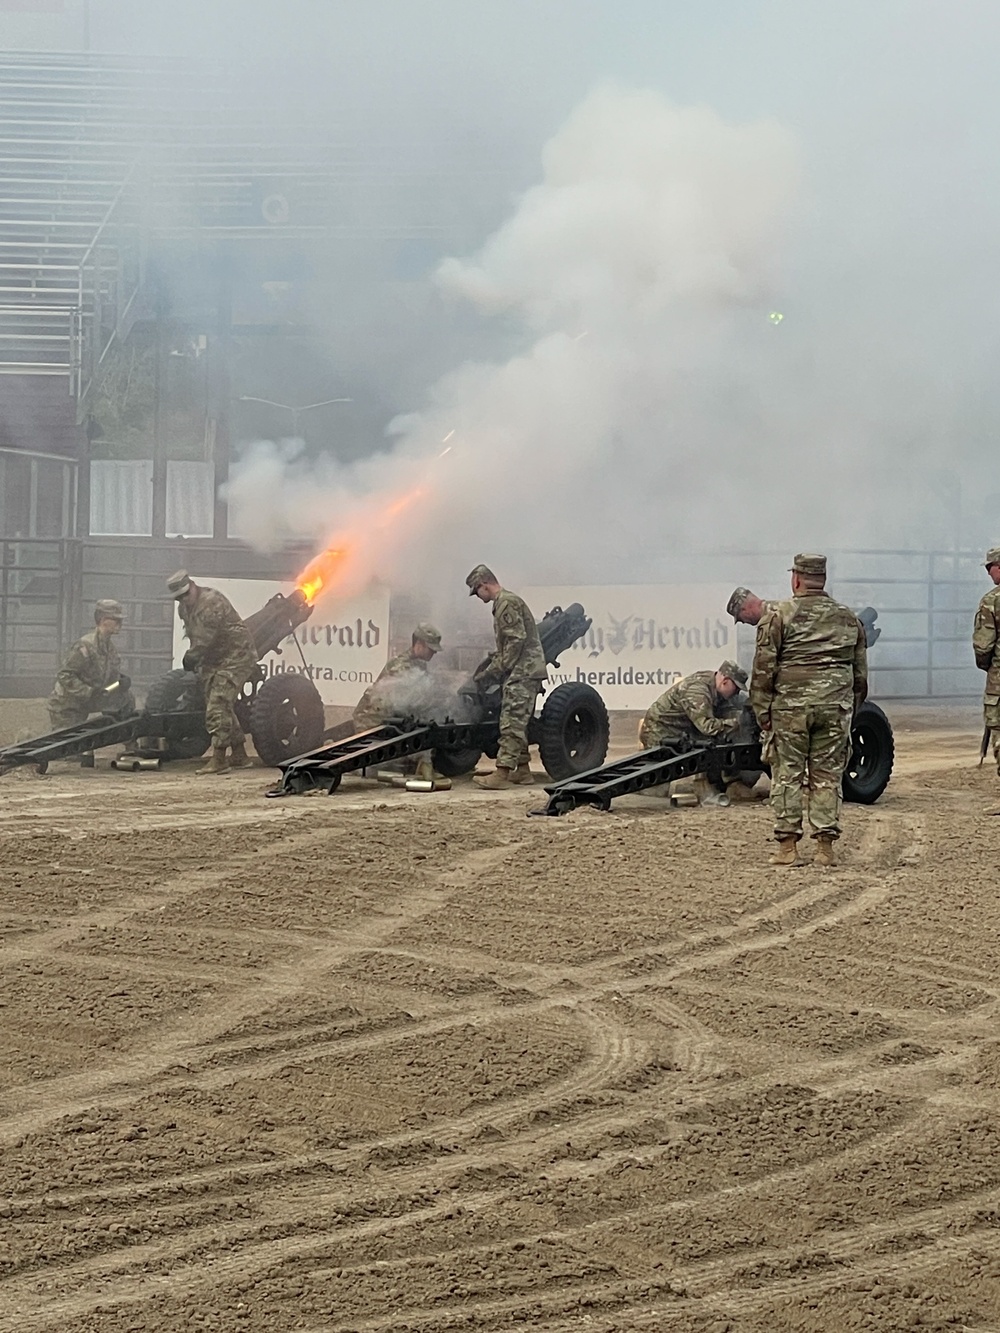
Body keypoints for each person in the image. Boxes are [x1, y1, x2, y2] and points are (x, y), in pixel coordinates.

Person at [750, 553, 867, 868]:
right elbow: (860, 677)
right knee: (827, 776)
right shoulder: (848, 618)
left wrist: (762, 712)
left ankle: (788, 848)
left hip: (791, 710)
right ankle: (825, 849)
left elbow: (763, 670)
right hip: (834, 708)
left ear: (796, 579)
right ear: (823, 580)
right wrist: (848, 712)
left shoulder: (779, 616)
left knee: (787, 775)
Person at [167, 570, 257, 775]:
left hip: (236, 655)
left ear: (192, 586)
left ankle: (219, 759)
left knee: (218, 702)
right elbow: (194, 636)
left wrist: (191, 657)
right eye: (178, 598)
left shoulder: (211, 603)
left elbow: (203, 641)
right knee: (217, 703)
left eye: (184, 595)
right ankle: (240, 754)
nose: (183, 600)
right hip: (214, 658)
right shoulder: (185, 608)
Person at [465, 564, 547, 789]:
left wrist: (496, 669)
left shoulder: (506, 603)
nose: (477, 596)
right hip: (523, 669)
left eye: (477, 591)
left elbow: (515, 640)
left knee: (511, 720)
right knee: (517, 718)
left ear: (484, 585)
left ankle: (501, 774)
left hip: (523, 670)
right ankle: (522, 771)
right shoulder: (505, 602)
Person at [47, 598, 134, 740]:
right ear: (102, 619)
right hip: (68, 705)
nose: (120, 624)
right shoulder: (84, 646)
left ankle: (127, 739)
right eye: (115, 619)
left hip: (89, 699)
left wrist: (119, 683)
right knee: (69, 751)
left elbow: (106, 681)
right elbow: (65, 675)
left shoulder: (109, 648)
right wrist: (89, 692)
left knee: (126, 698)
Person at [353, 622, 443, 730]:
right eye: (431, 649)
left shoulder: (419, 664)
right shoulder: (401, 667)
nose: (434, 653)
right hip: (371, 721)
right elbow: (411, 701)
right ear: (419, 644)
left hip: (388, 721)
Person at [639, 661, 747, 749]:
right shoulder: (697, 691)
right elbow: (707, 727)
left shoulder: (714, 685)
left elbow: (727, 710)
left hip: (683, 730)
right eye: (736, 688)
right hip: (661, 734)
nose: (736, 693)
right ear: (725, 681)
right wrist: (740, 722)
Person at [973, 545, 1000, 782]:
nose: (988, 574)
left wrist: (987, 666)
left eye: (990, 568)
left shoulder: (992, 601)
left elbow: (983, 646)